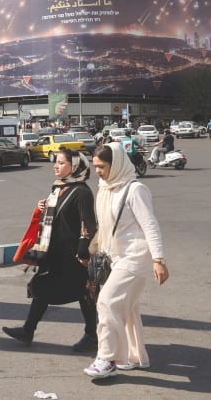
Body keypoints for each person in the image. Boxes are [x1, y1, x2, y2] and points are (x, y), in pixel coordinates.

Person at [84, 143, 169, 378]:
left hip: (135, 258)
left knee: (106, 302)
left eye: (102, 167)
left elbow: (150, 224)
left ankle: (107, 358)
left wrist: (158, 259)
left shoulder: (135, 189)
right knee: (127, 309)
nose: (98, 172)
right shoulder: (106, 188)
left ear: (117, 164)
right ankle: (132, 356)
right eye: (95, 166)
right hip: (116, 257)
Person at [2, 147, 99, 352]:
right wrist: (42, 207)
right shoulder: (59, 187)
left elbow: (88, 223)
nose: (56, 166)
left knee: (84, 293)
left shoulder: (82, 192)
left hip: (73, 255)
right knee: (44, 288)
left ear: (75, 166)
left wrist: (83, 250)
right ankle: (28, 330)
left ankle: (92, 335)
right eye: (56, 162)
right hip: (55, 253)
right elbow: (56, 216)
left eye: (62, 163)